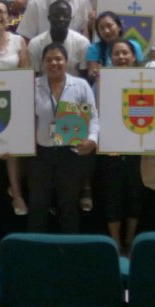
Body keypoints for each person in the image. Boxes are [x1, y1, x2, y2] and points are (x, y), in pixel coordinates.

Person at [28, 43, 99, 233]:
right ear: (42, 63)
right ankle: (36, 250)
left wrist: (92, 139)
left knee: (68, 205)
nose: (54, 63)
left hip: (71, 153)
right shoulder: (32, 86)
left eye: (58, 59)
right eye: (49, 59)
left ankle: (69, 250)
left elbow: (93, 117)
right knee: (38, 204)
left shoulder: (81, 85)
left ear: (66, 62)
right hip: (41, 155)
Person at [0, 0, 30, 216]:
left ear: (9, 17)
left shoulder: (19, 41)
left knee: (12, 148)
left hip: (12, 101)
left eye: (2, 12)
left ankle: (17, 192)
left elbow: (26, 73)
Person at [99, 38, 146, 252]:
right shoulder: (100, 81)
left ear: (133, 56)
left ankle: (130, 239)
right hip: (110, 148)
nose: (121, 57)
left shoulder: (147, 80)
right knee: (113, 196)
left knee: (135, 194)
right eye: (116, 54)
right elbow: (92, 112)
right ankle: (116, 243)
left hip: (138, 146)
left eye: (125, 53)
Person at [27, 0, 91, 75]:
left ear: (71, 19)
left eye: (65, 16)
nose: (61, 19)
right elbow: (35, 76)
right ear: (49, 18)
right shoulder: (35, 44)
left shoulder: (82, 43)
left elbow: (84, 75)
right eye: (56, 16)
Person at [86, 12, 144, 82]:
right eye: (102, 28)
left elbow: (141, 70)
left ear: (119, 27)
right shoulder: (94, 49)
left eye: (109, 26)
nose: (106, 31)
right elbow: (92, 75)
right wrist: (96, 75)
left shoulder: (134, 45)